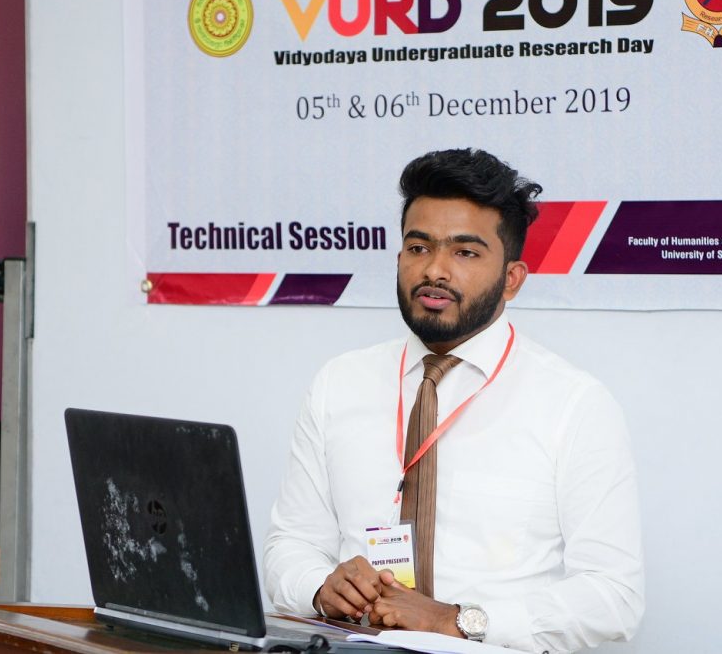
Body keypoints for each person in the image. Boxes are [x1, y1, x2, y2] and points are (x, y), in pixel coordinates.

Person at [262, 149, 644, 652]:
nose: (435, 270)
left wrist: (457, 620)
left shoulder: (573, 404)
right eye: (418, 247)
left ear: (512, 279)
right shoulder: (340, 383)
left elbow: (614, 597)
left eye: (465, 253)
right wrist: (319, 587)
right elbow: (290, 545)